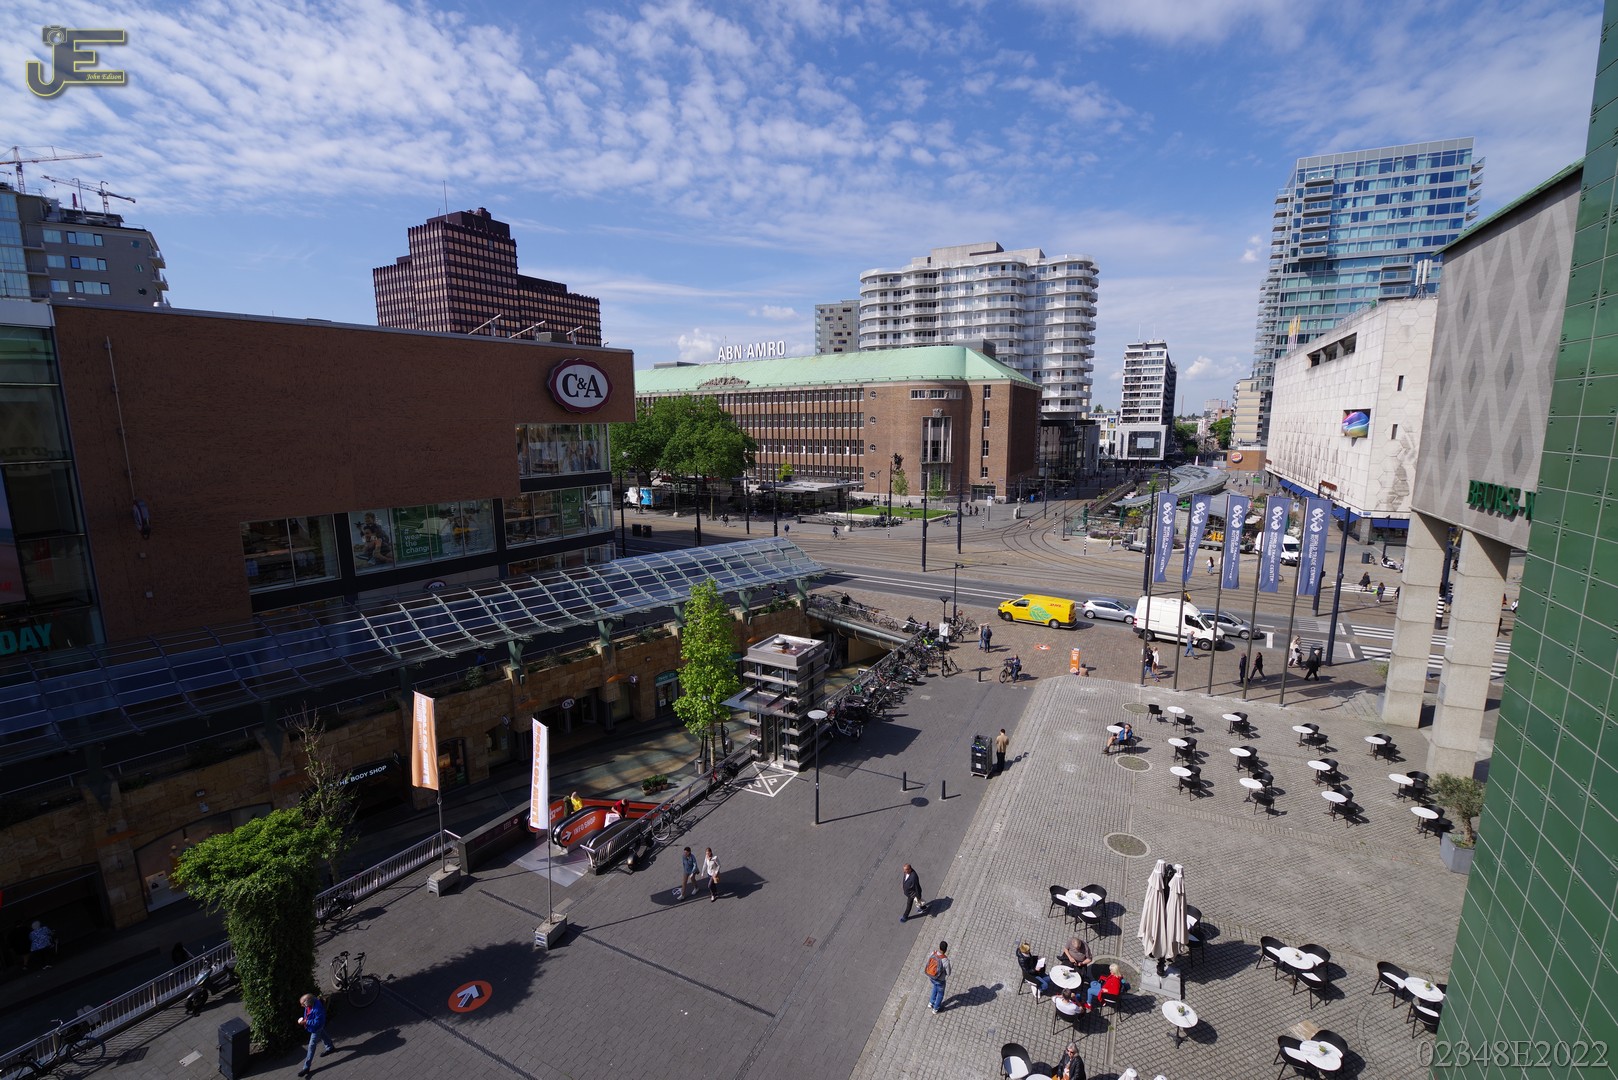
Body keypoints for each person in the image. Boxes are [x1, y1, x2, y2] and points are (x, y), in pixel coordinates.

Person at [297, 992, 336, 1076]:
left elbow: (317, 1022)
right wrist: (305, 1020)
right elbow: (307, 1014)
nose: (302, 1006)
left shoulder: (317, 1009)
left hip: (317, 1028)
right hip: (317, 1027)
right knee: (323, 1034)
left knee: (311, 1046)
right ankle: (330, 1047)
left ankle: (306, 1067)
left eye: (303, 1004)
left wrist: (306, 1022)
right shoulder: (309, 1005)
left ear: (308, 1002)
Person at [924, 941, 951, 1013]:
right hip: (940, 980)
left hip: (932, 977)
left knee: (935, 987)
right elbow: (949, 973)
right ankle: (936, 1009)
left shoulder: (933, 953)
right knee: (940, 994)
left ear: (939, 947)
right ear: (946, 949)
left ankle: (931, 1003)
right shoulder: (945, 960)